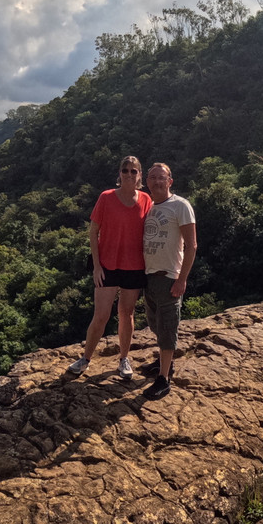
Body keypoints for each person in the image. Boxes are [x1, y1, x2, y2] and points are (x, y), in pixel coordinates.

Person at [68, 156, 153, 379]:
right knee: (101, 316)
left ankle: (124, 359)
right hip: (107, 265)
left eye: (134, 171)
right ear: (119, 173)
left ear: (140, 175)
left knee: (127, 313)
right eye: (125, 170)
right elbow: (93, 232)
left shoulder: (146, 200)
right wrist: (96, 266)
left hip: (134, 266)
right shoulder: (106, 198)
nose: (129, 174)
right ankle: (86, 358)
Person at [139, 162, 197, 400]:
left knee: (167, 327)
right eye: (152, 177)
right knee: (154, 324)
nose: (156, 181)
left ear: (170, 181)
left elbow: (191, 246)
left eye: (161, 177)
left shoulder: (181, 205)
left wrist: (182, 279)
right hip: (148, 277)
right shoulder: (148, 207)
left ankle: (163, 379)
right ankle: (165, 363)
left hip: (168, 276)